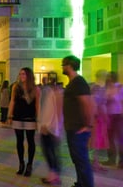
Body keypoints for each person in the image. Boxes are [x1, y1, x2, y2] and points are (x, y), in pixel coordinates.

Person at [62, 55, 94, 187]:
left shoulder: (78, 82)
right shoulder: (73, 83)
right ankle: (80, 183)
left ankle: (86, 184)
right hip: (72, 128)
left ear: (69, 66)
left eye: (63, 64)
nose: (62, 67)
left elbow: (87, 103)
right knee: (77, 159)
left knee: (81, 159)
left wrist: (88, 125)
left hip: (78, 129)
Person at [7, 67, 40, 177]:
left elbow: (37, 104)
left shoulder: (35, 88)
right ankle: (21, 163)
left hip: (30, 117)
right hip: (17, 116)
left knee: (30, 141)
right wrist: (9, 115)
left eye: (24, 74)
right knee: (19, 140)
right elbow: (12, 101)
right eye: (20, 74)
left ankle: (29, 165)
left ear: (29, 76)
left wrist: (38, 118)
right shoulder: (16, 87)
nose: (21, 76)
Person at [38, 77, 63, 184]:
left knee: (50, 151)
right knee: (49, 151)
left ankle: (54, 175)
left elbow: (58, 113)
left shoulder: (56, 93)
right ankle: (53, 174)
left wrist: (54, 128)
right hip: (47, 127)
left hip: (50, 128)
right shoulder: (50, 92)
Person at [90, 70, 109, 172]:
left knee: (97, 140)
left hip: (98, 117)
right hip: (98, 118)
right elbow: (98, 104)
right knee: (96, 140)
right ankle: (95, 162)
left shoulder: (96, 88)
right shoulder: (98, 88)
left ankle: (95, 161)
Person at [104, 71, 123, 168]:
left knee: (120, 138)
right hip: (109, 115)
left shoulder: (120, 87)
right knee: (110, 138)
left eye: (109, 77)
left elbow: (119, 100)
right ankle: (111, 159)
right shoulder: (107, 87)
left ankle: (121, 161)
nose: (108, 78)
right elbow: (105, 100)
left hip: (118, 115)